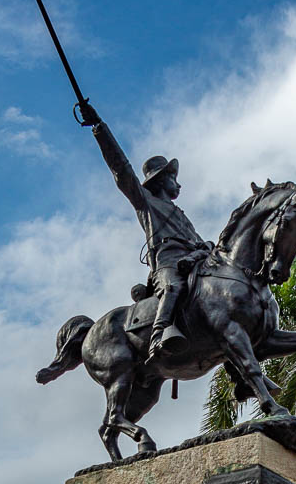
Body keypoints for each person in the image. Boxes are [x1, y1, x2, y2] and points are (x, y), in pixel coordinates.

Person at [76, 101, 213, 360]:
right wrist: (99, 127)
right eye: (173, 178)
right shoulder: (146, 203)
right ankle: (159, 333)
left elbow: (197, 242)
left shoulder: (180, 214)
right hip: (168, 265)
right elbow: (121, 170)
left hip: (193, 262)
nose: (179, 183)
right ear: (161, 180)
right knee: (172, 287)